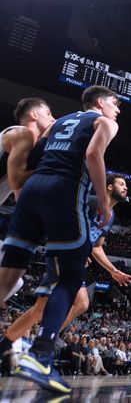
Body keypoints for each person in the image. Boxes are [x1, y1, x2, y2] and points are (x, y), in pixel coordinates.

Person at [12, 86, 120, 394]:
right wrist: (102, 198)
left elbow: (35, 153)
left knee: (21, 273)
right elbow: (92, 154)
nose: (118, 110)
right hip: (64, 190)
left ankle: (33, 352)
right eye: (116, 103)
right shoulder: (105, 122)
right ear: (101, 103)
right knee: (72, 280)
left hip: (34, 189)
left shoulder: (58, 121)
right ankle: (40, 354)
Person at [0, 175, 131, 357]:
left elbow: (97, 246)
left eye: (126, 185)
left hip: (73, 257)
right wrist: (78, 246)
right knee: (81, 303)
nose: (125, 188)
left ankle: (8, 346)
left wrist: (113, 270)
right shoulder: (93, 203)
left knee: (39, 309)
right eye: (121, 184)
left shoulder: (111, 217)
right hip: (65, 254)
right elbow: (67, 221)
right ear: (109, 187)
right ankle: (40, 348)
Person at [0, 98, 55, 303]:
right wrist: (51, 167)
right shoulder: (22, 133)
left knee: (15, 282)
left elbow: (20, 195)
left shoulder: (28, 145)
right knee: (12, 280)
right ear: (34, 115)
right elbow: (16, 181)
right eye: (48, 113)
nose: (53, 118)